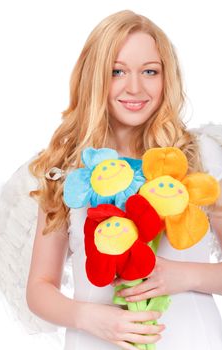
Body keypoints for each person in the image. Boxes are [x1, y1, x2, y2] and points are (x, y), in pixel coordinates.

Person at [26, 10, 222, 350]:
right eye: (117, 71)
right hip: (93, 341)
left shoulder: (199, 157)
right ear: (95, 77)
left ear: (166, 78)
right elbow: (39, 287)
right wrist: (89, 317)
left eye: (150, 71)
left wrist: (184, 275)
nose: (135, 87)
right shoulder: (67, 169)